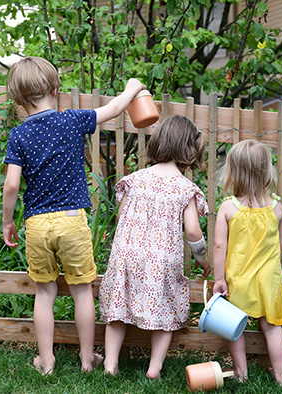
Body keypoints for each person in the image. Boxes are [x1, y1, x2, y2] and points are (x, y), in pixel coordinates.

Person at [2, 56, 145, 375]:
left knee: (45, 291)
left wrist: (7, 221)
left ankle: (47, 361)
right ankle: (85, 359)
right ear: (55, 89)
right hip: (71, 219)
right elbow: (113, 109)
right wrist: (131, 88)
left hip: (37, 223)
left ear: (18, 100)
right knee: (82, 290)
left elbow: (12, 185)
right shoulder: (72, 119)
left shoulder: (18, 135)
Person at [98, 115, 209, 378]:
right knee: (166, 310)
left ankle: (110, 365)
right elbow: (193, 231)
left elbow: (121, 214)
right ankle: (154, 369)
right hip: (162, 258)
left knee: (117, 309)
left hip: (127, 253)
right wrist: (203, 259)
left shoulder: (135, 179)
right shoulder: (185, 188)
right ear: (189, 150)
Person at [212, 139, 282, 385]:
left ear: (233, 171)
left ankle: (242, 375)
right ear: (266, 170)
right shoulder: (277, 208)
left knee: (234, 327)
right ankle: (280, 377)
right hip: (269, 281)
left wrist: (219, 279)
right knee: (273, 328)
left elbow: (219, 246)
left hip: (238, 280)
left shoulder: (228, 208)